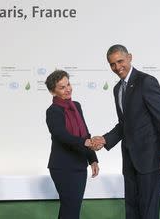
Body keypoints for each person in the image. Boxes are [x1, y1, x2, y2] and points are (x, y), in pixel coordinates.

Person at [91, 44, 160, 219]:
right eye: (112, 64)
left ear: (130, 57)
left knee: (148, 211)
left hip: (150, 158)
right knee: (132, 209)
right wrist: (105, 139)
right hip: (130, 160)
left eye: (120, 61)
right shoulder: (117, 89)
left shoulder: (146, 82)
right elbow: (125, 124)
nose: (117, 67)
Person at [45, 70, 99, 219]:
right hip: (62, 167)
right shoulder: (53, 111)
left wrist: (92, 159)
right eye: (62, 87)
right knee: (70, 207)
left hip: (79, 165)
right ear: (52, 91)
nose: (68, 89)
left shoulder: (76, 106)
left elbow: (85, 133)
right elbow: (61, 135)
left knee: (71, 208)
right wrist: (85, 142)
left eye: (68, 84)